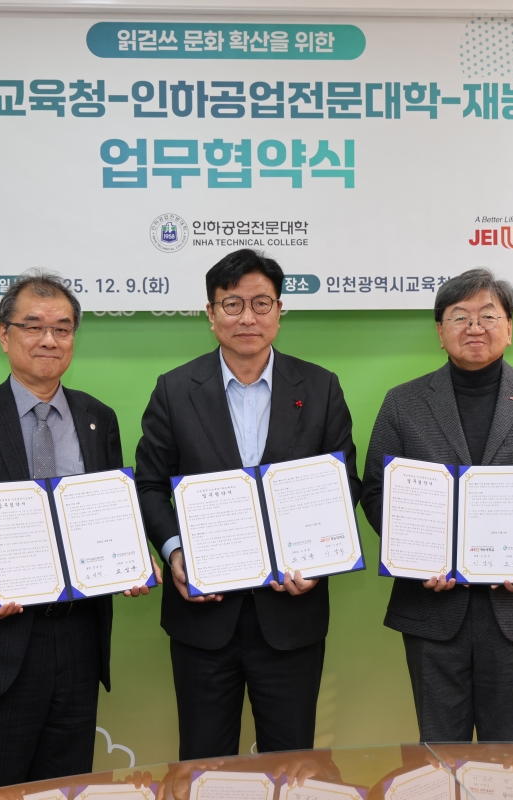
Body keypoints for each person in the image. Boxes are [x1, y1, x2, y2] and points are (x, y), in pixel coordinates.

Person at [0, 270, 158, 791]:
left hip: (78, 637)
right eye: (34, 326)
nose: (49, 339)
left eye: (63, 328)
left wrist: (133, 557)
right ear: (5, 335)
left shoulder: (98, 418)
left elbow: (111, 510)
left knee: (66, 788)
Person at [135, 248, 360, 760]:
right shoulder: (174, 390)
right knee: (204, 763)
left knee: (292, 765)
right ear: (211, 314)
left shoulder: (320, 388)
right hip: (204, 617)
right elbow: (148, 485)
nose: (247, 318)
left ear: (280, 311)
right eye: (232, 304)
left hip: (291, 614)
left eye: (261, 303)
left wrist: (318, 561)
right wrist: (174, 552)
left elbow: (342, 484)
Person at [361, 267, 513, 743]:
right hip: (432, 606)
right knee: (437, 754)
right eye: (459, 316)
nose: (474, 327)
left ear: (509, 328)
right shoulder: (403, 403)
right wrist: (416, 554)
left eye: (488, 315)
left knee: (509, 757)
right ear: (440, 331)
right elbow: (377, 491)